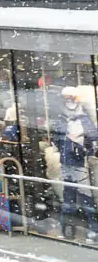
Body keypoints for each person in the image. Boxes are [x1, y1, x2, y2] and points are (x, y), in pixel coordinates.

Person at [56, 86, 98, 241]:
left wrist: (82, 146)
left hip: (78, 163)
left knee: (83, 197)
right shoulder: (63, 118)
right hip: (67, 162)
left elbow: (93, 137)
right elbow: (57, 138)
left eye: (71, 98)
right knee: (70, 198)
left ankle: (90, 230)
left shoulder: (81, 118)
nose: (69, 101)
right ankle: (69, 229)